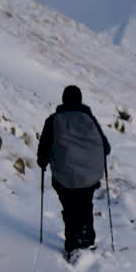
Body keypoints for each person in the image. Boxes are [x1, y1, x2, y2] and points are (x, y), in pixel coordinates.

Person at [38, 85, 111, 259]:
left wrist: (43, 162)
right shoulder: (89, 119)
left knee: (70, 209)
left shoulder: (53, 120)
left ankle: (73, 245)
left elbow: (44, 149)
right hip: (89, 177)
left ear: (64, 100)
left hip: (64, 177)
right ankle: (87, 239)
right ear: (80, 100)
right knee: (85, 206)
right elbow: (106, 148)